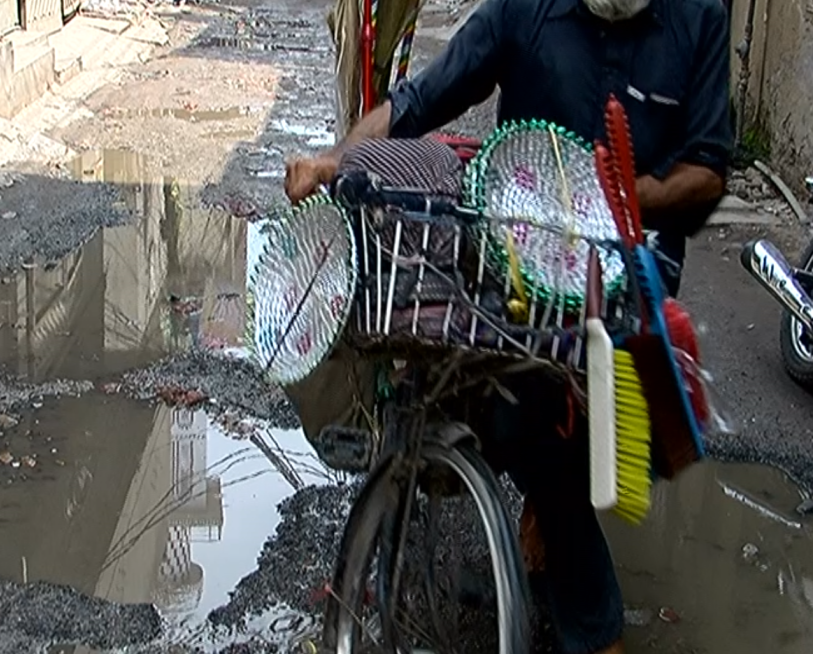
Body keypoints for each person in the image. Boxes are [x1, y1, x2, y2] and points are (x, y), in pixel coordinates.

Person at [285, 0, 732, 650]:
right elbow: (420, 100)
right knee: (476, 375)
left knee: (565, 417)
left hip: (631, 256)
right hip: (519, 254)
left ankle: (593, 624)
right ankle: (542, 520)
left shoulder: (700, 18)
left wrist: (612, 198)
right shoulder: (525, 9)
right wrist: (337, 160)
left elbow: (707, 169)